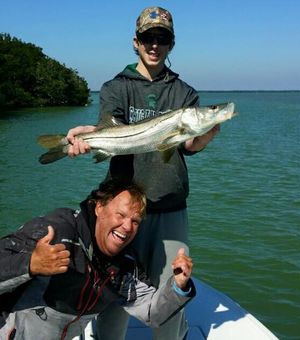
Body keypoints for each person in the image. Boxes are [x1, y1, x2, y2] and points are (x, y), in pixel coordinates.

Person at [66, 6, 220, 340]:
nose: (154, 44)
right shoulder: (115, 87)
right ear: (136, 42)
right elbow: (112, 129)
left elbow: (186, 147)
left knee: (171, 294)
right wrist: (90, 139)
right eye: (148, 37)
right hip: (122, 210)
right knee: (113, 300)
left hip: (170, 206)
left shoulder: (184, 93)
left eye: (161, 38)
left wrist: (204, 135)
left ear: (171, 43)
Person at [0, 179, 195, 340]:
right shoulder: (57, 231)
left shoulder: (123, 267)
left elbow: (152, 312)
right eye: (121, 215)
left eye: (135, 221)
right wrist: (31, 264)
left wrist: (177, 286)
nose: (127, 227)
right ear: (99, 207)